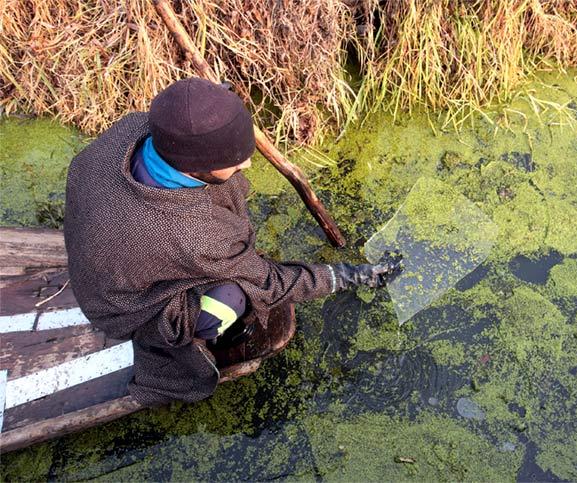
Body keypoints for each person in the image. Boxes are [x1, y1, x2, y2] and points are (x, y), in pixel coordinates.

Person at [63, 78, 398, 407]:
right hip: (123, 307)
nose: (248, 163)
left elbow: (194, 116)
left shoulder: (133, 128)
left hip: (109, 251)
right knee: (233, 295)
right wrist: (348, 275)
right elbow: (270, 282)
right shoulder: (194, 234)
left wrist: (219, 105)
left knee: (225, 205)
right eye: (235, 159)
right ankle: (189, 342)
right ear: (196, 168)